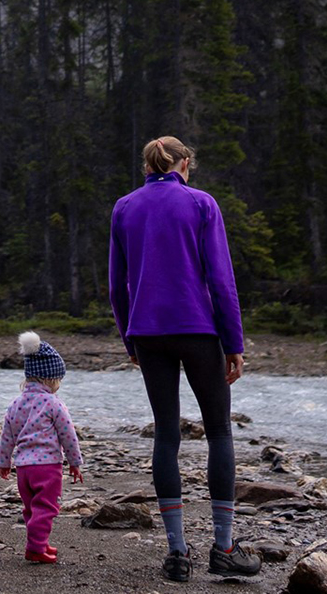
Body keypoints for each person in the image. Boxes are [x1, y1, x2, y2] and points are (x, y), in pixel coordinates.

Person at [107, 136, 261, 582]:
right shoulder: (201, 204)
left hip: (148, 333)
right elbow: (221, 279)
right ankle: (224, 547)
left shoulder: (124, 207)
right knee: (218, 432)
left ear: (148, 167)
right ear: (185, 164)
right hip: (198, 331)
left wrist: (129, 339)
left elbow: (117, 287)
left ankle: (177, 554)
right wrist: (235, 343)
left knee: (166, 437)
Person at [0, 331, 84, 564]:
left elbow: (7, 436)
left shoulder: (16, 404)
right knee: (46, 507)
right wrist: (75, 462)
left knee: (31, 509)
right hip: (47, 467)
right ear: (50, 379)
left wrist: (4, 463)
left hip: (23, 469)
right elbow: (68, 435)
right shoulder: (54, 404)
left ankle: (40, 542)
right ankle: (35, 548)